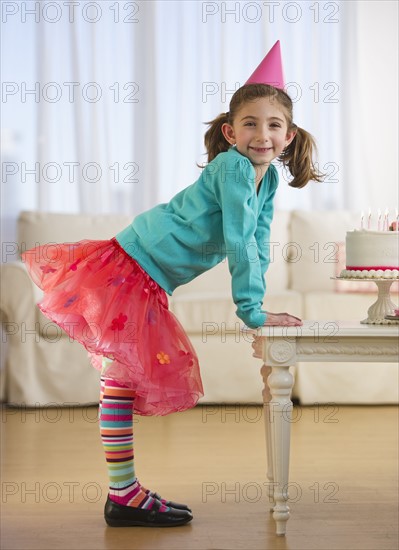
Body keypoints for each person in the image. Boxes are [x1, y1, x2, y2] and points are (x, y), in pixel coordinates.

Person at [22, 42, 323, 528]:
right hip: (130, 267)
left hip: (146, 275)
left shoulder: (266, 181)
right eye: (250, 123)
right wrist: (251, 311)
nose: (261, 134)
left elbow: (258, 243)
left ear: (288, 136)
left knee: (118, 380)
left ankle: (124, 493)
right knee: (118, 380)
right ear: (230, 132)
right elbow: (238, 238)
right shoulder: (232, 166)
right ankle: (123, 495)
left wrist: (259, 304)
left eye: (273, 125)